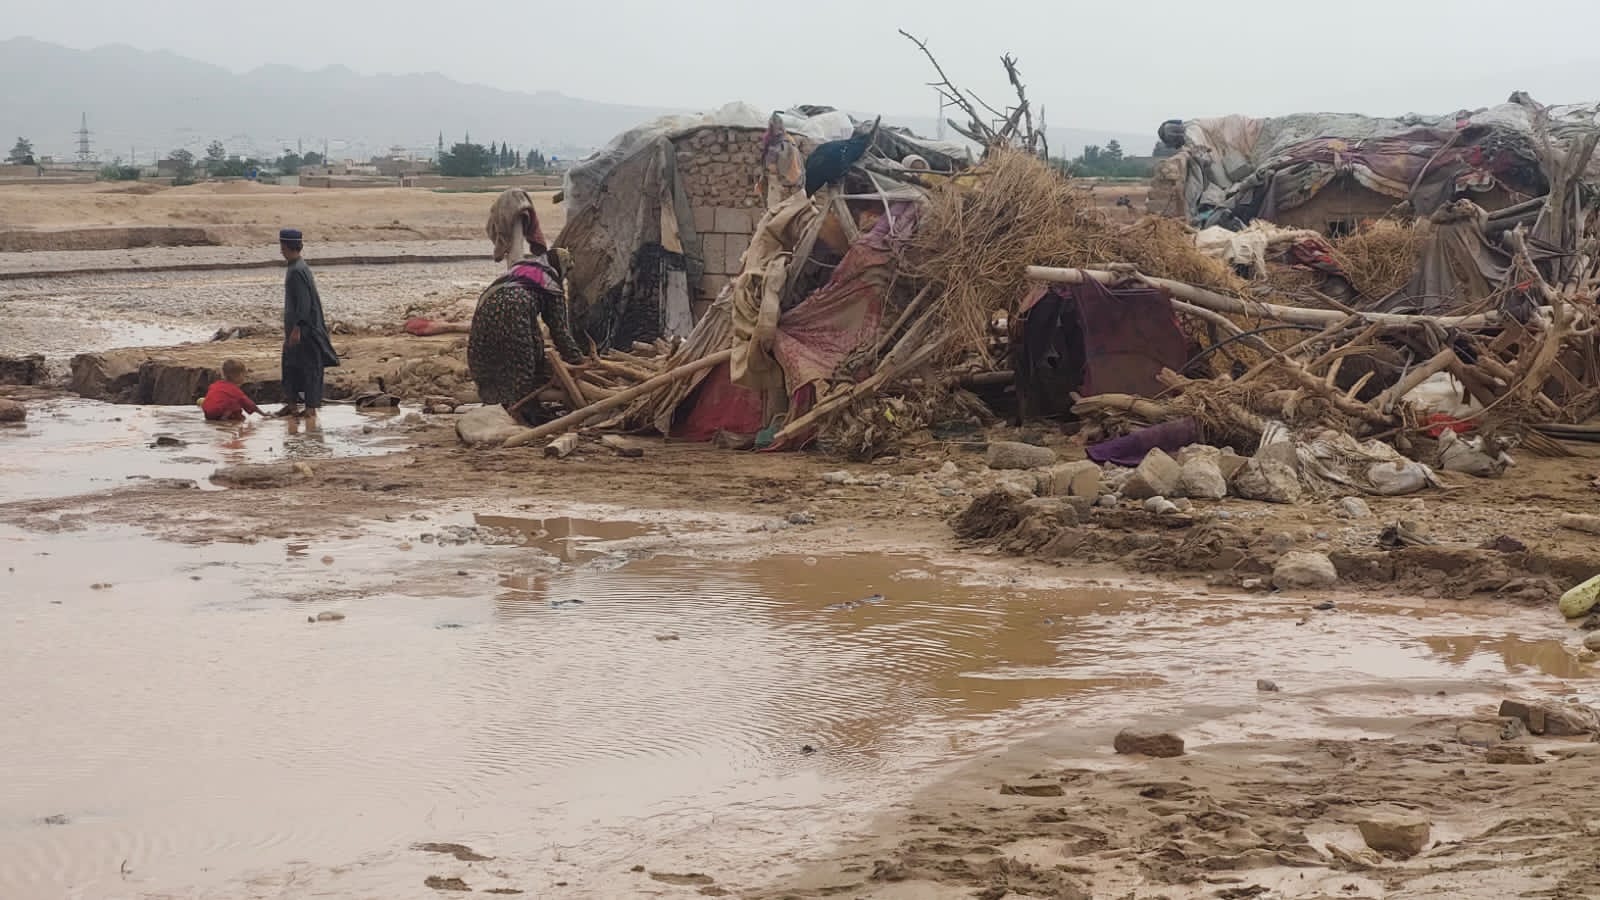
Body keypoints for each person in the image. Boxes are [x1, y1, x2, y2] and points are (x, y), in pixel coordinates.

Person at [469, 199, 585, 425]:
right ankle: (520, 410)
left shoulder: (525, 267)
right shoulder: (550, 283)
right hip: (516, 307)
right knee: (525, 359)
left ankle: (494, 403)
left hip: (486, 305)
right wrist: (577, 360)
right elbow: (559, 330)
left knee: (492, 354)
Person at [276, 228, 339, 417]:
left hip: (306, 330)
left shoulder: (297, 270)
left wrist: (297, 329)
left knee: (310, 368)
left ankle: (310, 408)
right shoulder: (297, 267)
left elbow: (304, 303)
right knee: (290, 366)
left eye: (282, 246)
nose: (281, 250)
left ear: (286, 246)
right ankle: (292, 405)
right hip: (299, 329)